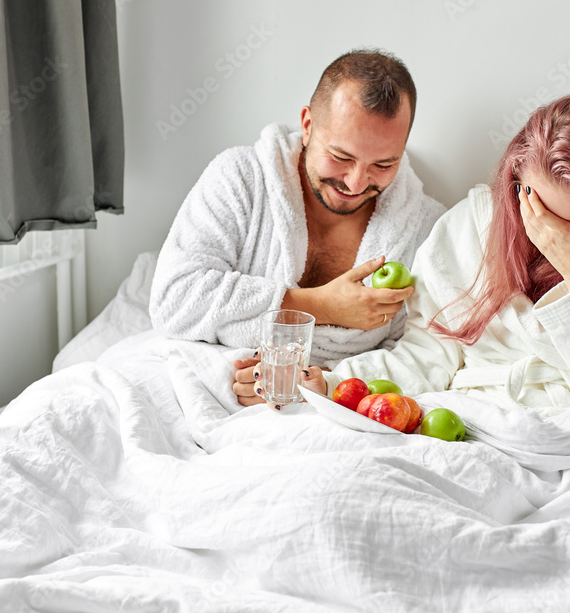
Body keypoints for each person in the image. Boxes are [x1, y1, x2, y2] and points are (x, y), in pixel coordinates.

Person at [258, 93, 570, 458]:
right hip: (472, 429)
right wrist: (333, 383)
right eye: (535, 209)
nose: (545, 235)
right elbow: (431, 352)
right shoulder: (477, 223)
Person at [149, 49, 446, 406]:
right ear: (307, 125)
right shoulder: (239, 178)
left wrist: (323, 385)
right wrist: (320, 305)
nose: (355, 183)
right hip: (214, 384)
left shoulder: (426, 229)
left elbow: (426, 355)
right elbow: (174, 299)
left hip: (335, 404)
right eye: (340, 157)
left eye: (383, 164)